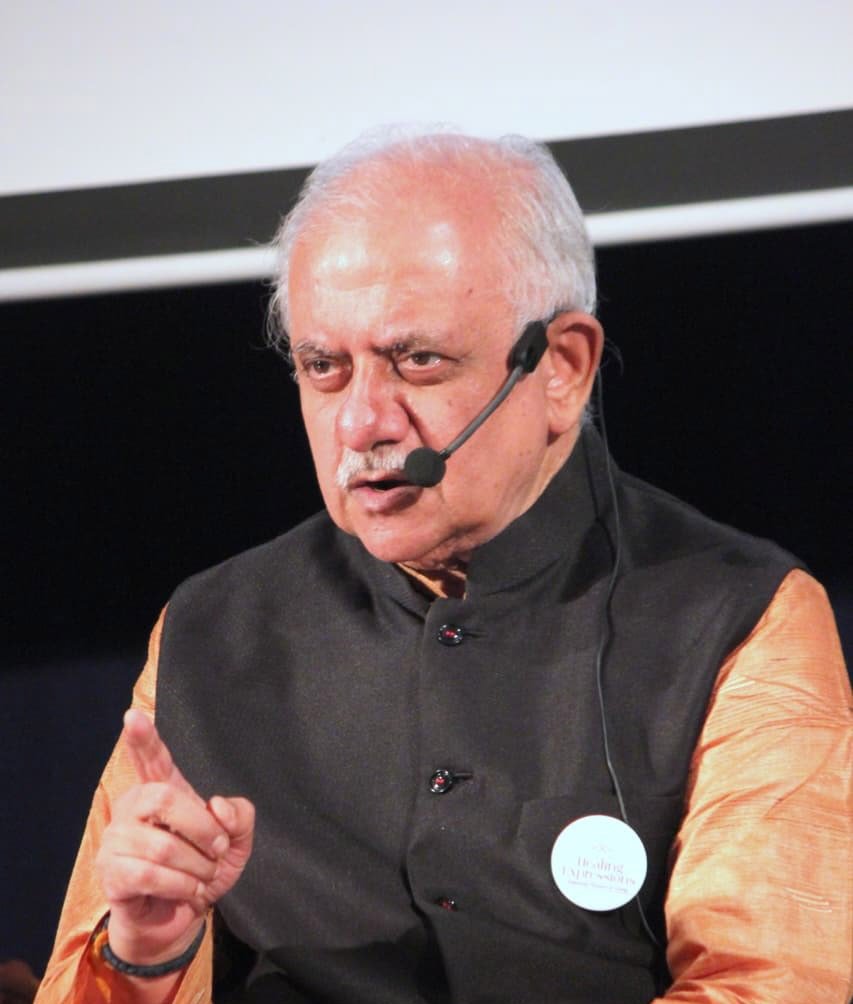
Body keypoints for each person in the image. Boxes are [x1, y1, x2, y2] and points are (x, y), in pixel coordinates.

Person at [35, 129, 851, 1004]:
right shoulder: (210, 632)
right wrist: (150, 955)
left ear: (561, 368)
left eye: (417, 361)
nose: (361, 424)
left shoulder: (739, 618)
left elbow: (769, 985)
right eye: (323, 367)